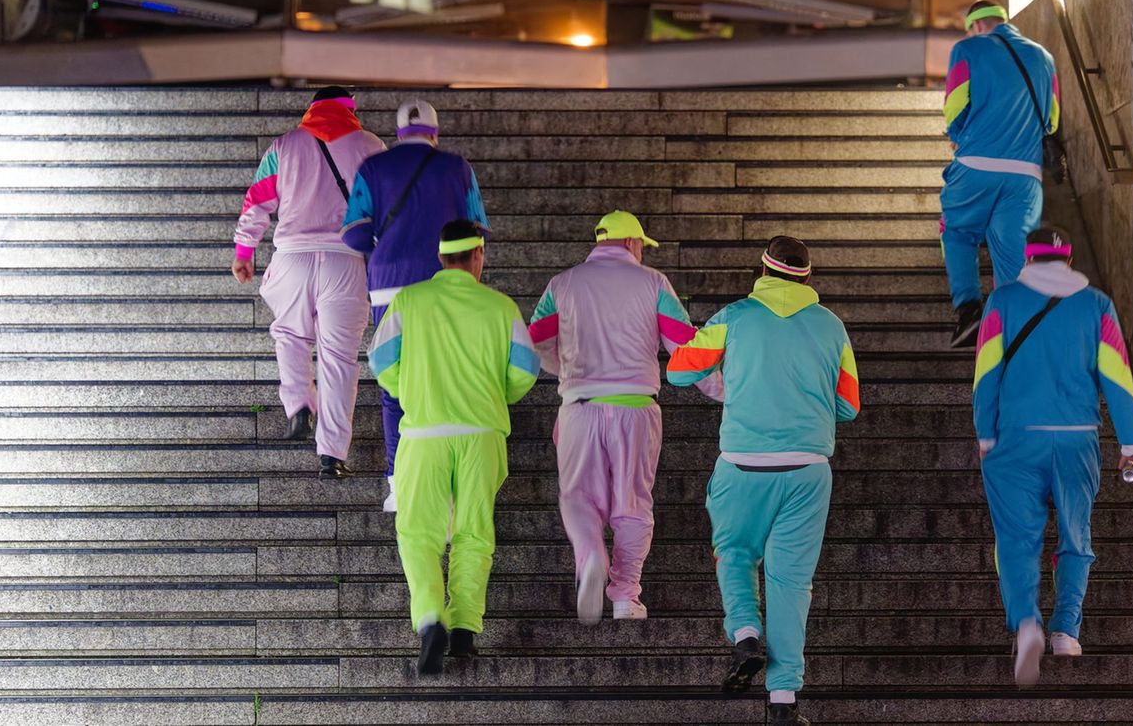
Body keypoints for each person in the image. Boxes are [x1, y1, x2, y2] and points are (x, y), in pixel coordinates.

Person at [667, 236, 859, 726]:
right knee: (792, 581)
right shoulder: (833, 327)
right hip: (808, 471)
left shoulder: (733, 318)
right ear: (807, 278)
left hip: (743, 464)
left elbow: (679, 371)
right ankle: (782, 703)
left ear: (763, 273)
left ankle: (747, 634)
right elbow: (849, 406)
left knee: (733, 553)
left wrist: (733, 371)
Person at [971, 226, 1133, 688]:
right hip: (1077, 439)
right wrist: (1132, 442)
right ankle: (1066, 629)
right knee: (1075, 534)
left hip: (1014, 439)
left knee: (1015, 538)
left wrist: (984, 433)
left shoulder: (1002, 301)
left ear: (1027, 258)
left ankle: (1027, 621)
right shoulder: (1096, 305)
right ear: (1068, 260)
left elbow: (986, 374)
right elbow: (1117, 377)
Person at [529, 210, 720, 624]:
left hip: (579, 407)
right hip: (635, 408)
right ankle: (624, 597)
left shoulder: (561, 285)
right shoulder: (653, 283)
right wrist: (726, 391)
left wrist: (565, 369)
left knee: (578, 497)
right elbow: (685, 347)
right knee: (632, 505)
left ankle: (591, 556)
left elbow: (535, 342)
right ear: (634, 244)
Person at [366, 219, 538, 674]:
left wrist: (414, 389)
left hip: (424, 435)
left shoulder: (410, 300)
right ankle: (464, 631)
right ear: (478, 255)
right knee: (473, 534)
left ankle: (429, 619)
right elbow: (525, 369)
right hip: (482, 437)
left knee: (418, 533)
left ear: (440, 258)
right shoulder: (501, 307)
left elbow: (380, 360)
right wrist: (493, 395)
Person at [342, 98, 489, 511]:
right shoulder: (457, 168)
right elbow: (477, 229)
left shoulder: (373, 168)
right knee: (448, 374)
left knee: (395, 380)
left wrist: (385, 242)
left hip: (389, 287)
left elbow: (353, 235)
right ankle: (451, 485)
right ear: (435, 133)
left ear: (398, 134)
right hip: (447, 281)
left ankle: (399, 484)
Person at [231, 86, 384, 478]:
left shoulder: (285, 145)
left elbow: (257, 200)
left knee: (290, 335)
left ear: (311, 108)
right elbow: (386, 204)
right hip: (346, 263)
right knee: (339, 360)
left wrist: (245, 251)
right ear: (351, 108)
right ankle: (331, 454)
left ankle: (299, 405)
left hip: (293, 259)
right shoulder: (370, 145)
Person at [941, 0, 1060, 348]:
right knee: (1012, 249)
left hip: (977, 165)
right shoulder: (1044, 57)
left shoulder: (967, 49)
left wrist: (959, 135)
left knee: (958, 231)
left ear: (976, 25)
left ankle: (969, 311)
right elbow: (1052, 119)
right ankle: (1015, 324)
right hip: (1026, 175)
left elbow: (954, 106)